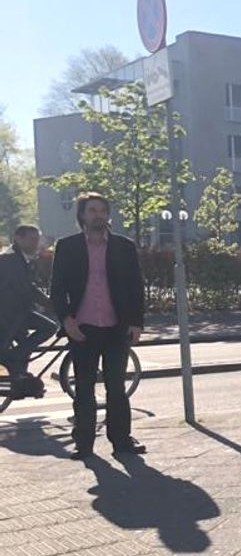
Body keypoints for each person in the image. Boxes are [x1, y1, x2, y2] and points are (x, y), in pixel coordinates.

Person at [49, 192, 147, 460]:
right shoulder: (67, 246)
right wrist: (66, 320)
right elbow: (56, 289)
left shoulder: (123, 246)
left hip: (116, 327)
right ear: (82, 215)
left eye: (102, 211)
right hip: (82, 328)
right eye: (92, 210)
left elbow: (136, 287)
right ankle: (84, 443)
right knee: (84, 387)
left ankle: (122, 441)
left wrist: (136, 322)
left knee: (116, 387)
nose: (98, 216)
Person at [0, 225, 59, 398]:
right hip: (10, 314)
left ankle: (19, 382)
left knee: (25, 347)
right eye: (31, 239)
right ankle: (14, 360)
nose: (36, 243)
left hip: (15, 312)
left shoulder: (20, 258)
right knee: (49, 327)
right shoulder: (11, 260)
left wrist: (48, 302)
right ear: (18, 239)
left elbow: (30, 288)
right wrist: (51, 305)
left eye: (37, 239)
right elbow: (27, 289)